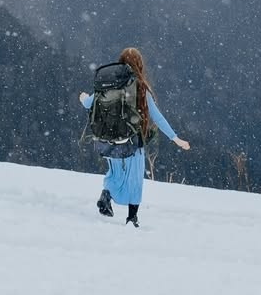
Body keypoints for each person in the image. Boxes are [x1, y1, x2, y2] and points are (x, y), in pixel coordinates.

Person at [79, 46, 190, 228]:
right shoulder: (139, 86)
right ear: (139, 65)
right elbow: (157, 116)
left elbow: (88, 103)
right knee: (135, 179)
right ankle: (132, 218)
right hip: (131, 141)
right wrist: (175, 138)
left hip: (108, 139)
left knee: (114, 174)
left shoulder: (109, 83)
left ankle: (106, 196)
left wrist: (83, 98)